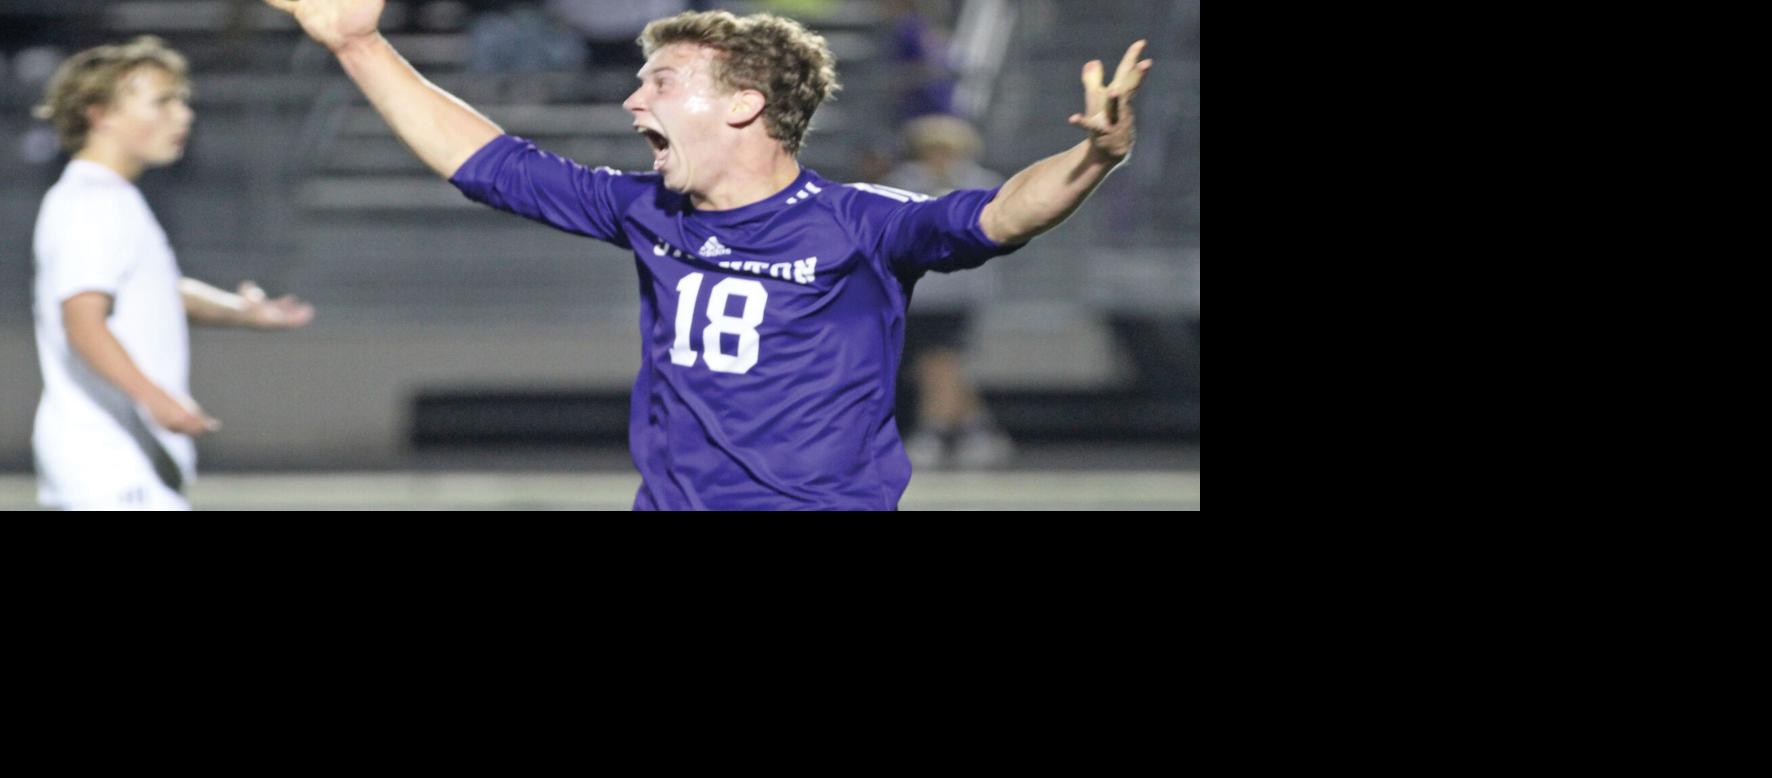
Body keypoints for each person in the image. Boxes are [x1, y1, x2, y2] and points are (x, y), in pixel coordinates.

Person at [263, 1, 1150, 510]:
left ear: (742, 106)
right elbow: (491, 165)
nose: (629, 99)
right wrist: (358, 44)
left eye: (660, 82)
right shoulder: (651, 208)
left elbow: (1000, 215)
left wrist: (1092, 158)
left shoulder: (858, 222)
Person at [31, 36, 315, 511]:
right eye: (162, 102)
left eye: (183, 101)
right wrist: (155, 398)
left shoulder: (108, 197)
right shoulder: (92, 203)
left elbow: (155, 292)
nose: (183, 116)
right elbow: (82, 320)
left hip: (116, 464)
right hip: (108, 463)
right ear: (99, 114)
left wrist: (242, 313)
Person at [882, 115, 1012, 469]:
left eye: (946, 150)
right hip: (917, 291)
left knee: (941, 361)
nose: (939, 158)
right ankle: (977, 430)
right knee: (934, 366)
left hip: (961, 291)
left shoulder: (983, 185)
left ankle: (933, 432)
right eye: (931, 151)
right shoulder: (902, 184)